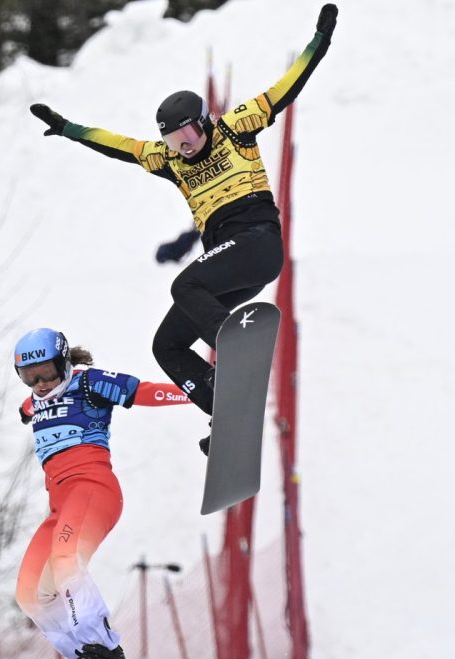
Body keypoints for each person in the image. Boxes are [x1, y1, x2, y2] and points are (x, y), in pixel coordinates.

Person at [28, 5, 337, 452]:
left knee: (184, 284)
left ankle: (233, 347)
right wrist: (69, 129)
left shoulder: (236, 129)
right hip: (229, 262)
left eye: (188, 137)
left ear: (204, 122)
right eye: (174, 141)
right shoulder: (171, 161)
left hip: (257, 241)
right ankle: (223, 410)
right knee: (167, 345)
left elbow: (285, 86)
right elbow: (122, 145)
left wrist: (319, 41)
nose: (184, 147)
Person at [12, 328, 190, 659]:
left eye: (47, 373)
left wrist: (197, 394)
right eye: (29, 376)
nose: (40, 384)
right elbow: (25, 408)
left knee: (66, 560)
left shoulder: (88, 383)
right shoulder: (33, 402)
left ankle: (103, 646)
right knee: (30, 593)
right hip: (60, 506)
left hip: (92, 489)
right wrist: (25, 409)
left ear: (64, 363)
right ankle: (83, 653)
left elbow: (144, 392)